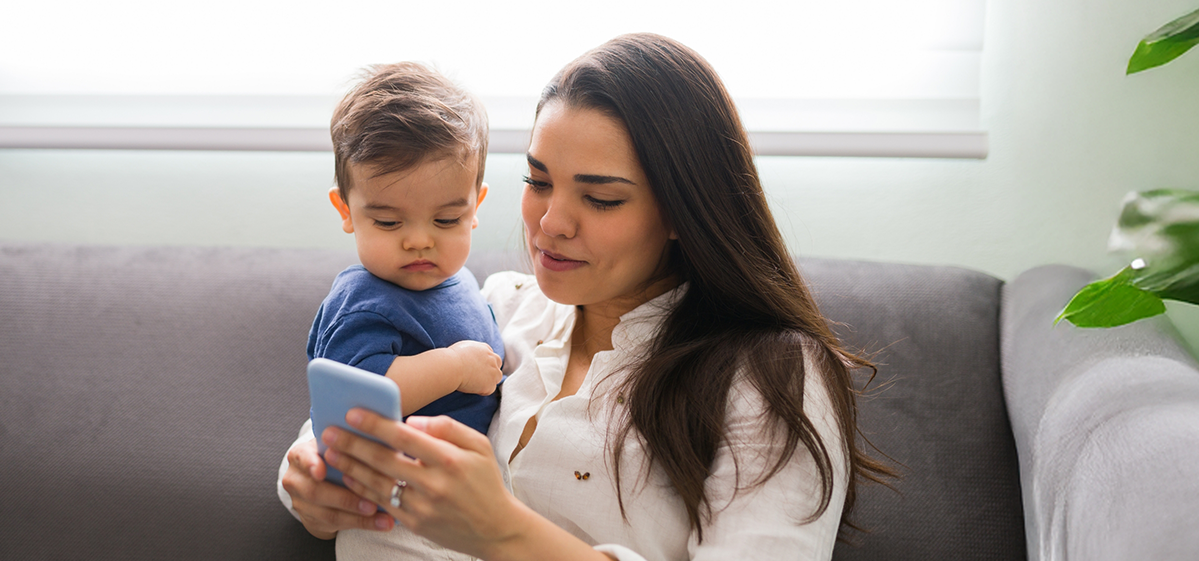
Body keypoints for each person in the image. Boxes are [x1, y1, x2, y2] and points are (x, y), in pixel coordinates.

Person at [278, 34, 892, 561]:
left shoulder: (773, 376)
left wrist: (503, 531)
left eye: (601, 198)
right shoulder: (496, 308)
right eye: (537, 181)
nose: (550, 224)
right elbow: (342, 420)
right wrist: (312, 489)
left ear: (683, 211)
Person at [305, 61, 510, 560]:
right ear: (347, 212)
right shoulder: (363, 301)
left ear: (476, 206)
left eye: (446, 218)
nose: (420, 239)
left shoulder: (459, 280)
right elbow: (358, 396)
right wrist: (455, 367)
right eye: (390, 221)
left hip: (459, 500)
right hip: (389, 512)